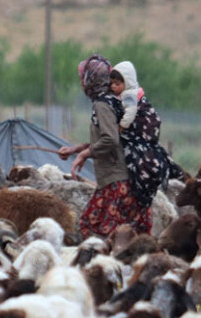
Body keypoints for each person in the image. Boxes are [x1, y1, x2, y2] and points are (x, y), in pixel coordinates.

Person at [57, 54, 152, 238]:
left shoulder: (102, 104)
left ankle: (106, 266)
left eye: (82, 79)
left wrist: (84, 155)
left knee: (93, 227)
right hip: (124, 180)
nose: (81, 83)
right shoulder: (113, 100)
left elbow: (110, 139)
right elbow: (111, 136)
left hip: (116, 182)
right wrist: (76, 149)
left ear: (91, 80)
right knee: (123, 235)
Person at [109, 60, 187, 211]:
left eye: (117, 84)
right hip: (143, 140)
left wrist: (121, 127)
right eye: (112, 83)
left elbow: (131, 114)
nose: (113, 87)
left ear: (128, 82)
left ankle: (142, 196)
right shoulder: (126, 95)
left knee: (140, 163)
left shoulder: (129, 96)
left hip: (143, 136)